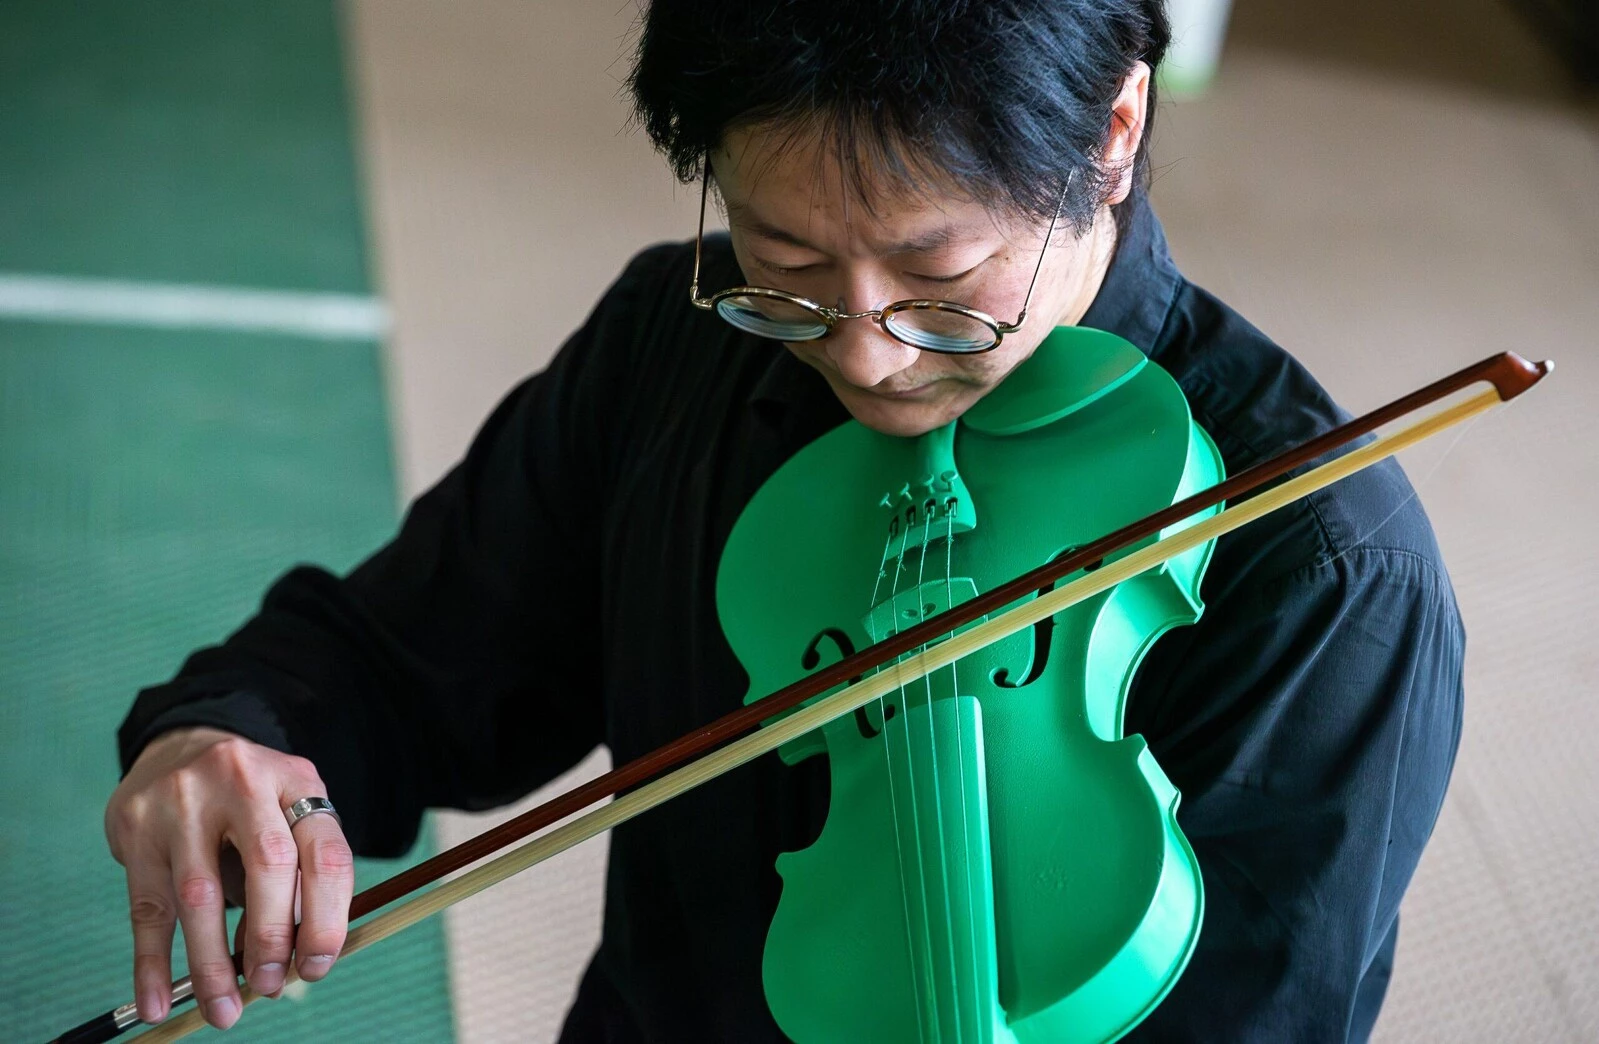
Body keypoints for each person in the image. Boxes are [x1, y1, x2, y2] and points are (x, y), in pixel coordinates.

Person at [105, 1, 1465, 1040]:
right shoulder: (681, 337)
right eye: (789, 264)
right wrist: (233, 731)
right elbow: (412, 657)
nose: (863, 353)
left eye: (939, 280)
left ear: (1109, 138)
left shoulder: (1318, 563)